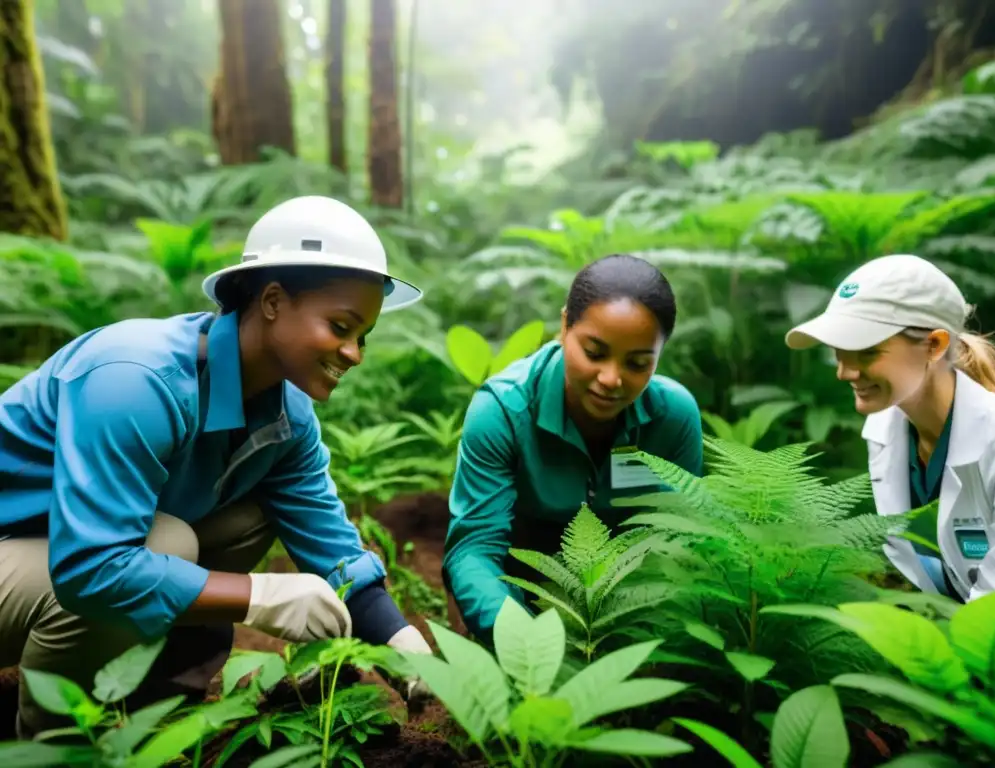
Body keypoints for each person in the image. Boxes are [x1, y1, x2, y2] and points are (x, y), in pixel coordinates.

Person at [0, 195, 433, 738]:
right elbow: (93, 567)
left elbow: (330, 546)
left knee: (244, 516)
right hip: (24, 554)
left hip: (53, 554)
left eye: (363, 335)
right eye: (340, 326)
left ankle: (156, 709)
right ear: (272, 300)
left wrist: (401, 645)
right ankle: (52, 743)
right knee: (165, 544)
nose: (354, 353)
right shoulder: (136, 379)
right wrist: (259, 597)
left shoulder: (285, 416)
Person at [443, 253, 705, 644]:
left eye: (637, 363)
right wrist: (524, 640)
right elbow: (475, 550)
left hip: (626, 609)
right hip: (517, 598)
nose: (611, 379)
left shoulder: (673, 419)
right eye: (595, 353)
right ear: (565, 326)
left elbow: (681, 542)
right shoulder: (502, 412)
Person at [785, 253, 995, 603]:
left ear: (934, 345)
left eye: (866, 351)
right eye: (839, 351)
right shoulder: (885, 430)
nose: (844, 372)